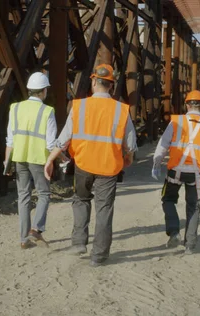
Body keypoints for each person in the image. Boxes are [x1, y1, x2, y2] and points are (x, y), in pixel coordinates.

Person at [44, 64, 138, 267]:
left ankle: (78, 243)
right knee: (104, 209)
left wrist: (50, 159)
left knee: (81, 200)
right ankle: (99, 256)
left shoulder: (80, 106)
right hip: (109, 167)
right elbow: (130, 143)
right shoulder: (121, 110)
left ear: (94, 82)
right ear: (111, 86)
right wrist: (128, 158)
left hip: (84, 164)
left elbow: (64, 138)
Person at [151, 90, 200, 254]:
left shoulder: (176, 121)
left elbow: (163, 145)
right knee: (193, 206)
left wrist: (156, 164)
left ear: (187, 104)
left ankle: (174, 231)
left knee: (168, 199)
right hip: (196, 174)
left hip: (175, 170)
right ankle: (190, 245)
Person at [5, 72, 57, 249]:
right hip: (38, 158)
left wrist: (7, 163)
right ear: (43, 91)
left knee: (23, 197)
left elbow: (10, 139)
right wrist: (62, 157)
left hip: (20, 158)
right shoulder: (47, 111)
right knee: (44, 194)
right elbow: (51, 144)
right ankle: (36, 228)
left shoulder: (15, 108)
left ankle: (23, 239)